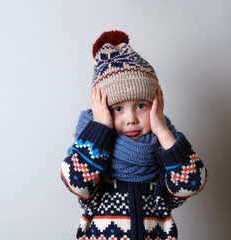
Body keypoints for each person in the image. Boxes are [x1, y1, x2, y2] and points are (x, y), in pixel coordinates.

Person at [61, 30, 207, 240]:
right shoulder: (93, 154)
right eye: (117, 109)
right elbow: (77, 183)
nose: (131, 119)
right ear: (101, 110)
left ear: (156, 105)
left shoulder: (164, 156)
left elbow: (193, 181)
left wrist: (163, 130)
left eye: (140, 106)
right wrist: (100, 128)